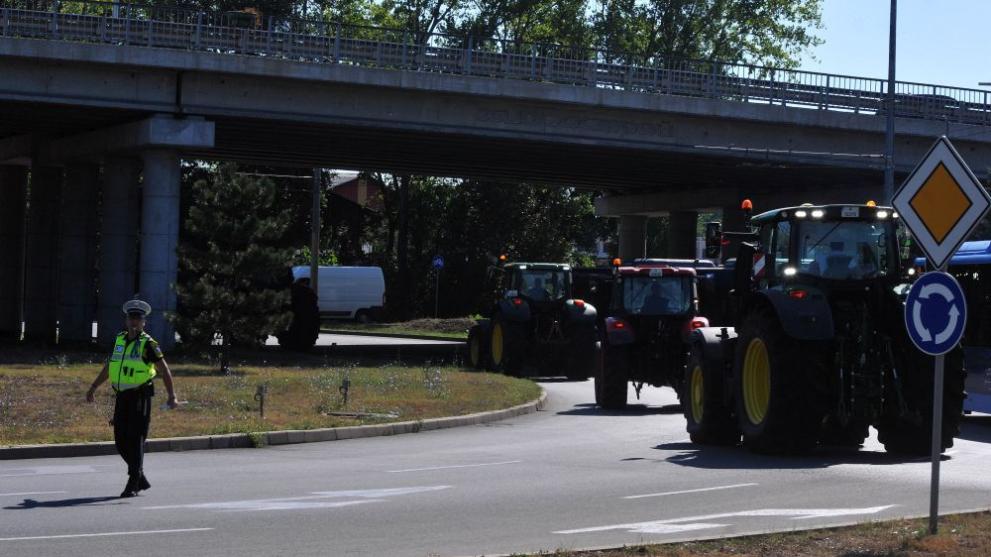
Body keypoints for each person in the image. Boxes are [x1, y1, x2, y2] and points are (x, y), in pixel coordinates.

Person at [86, 297, 178, 498]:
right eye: (131, 317)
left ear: (144, 321)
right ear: (126, 320)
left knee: (135, 439)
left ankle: (133, 482)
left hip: (140, 395)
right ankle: (139, 476)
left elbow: (165, 371)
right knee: (120, 440)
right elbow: (110, 367)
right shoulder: (119, 340)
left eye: (138, 318)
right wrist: (93, 387)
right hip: (122, 396)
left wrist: (172, 396)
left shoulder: (148, 344)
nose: (134, 321)